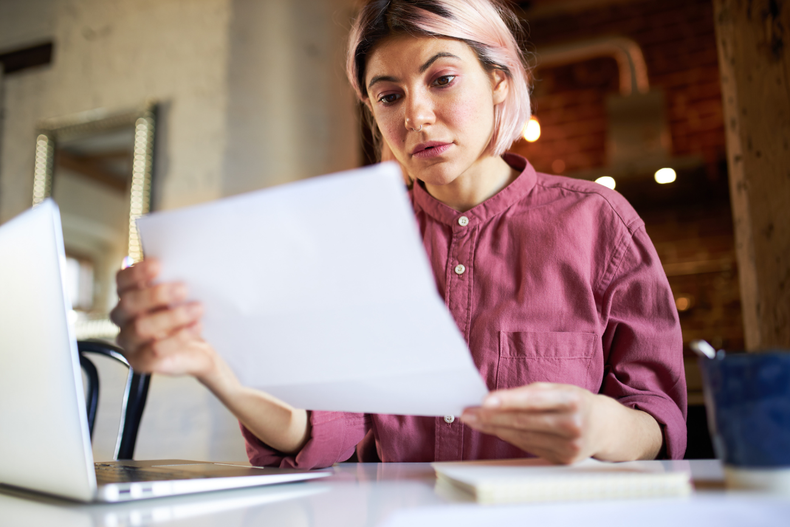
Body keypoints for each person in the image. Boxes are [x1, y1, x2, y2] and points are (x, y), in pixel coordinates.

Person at [110, 0, 686, 467]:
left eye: (442, 79)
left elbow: (658, 421)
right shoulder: (358, 243)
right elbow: (329, 431)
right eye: (389, 96)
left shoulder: (599, 222)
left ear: (500, 81)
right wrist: (216, 369)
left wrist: (604, 424)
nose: (416, 116)